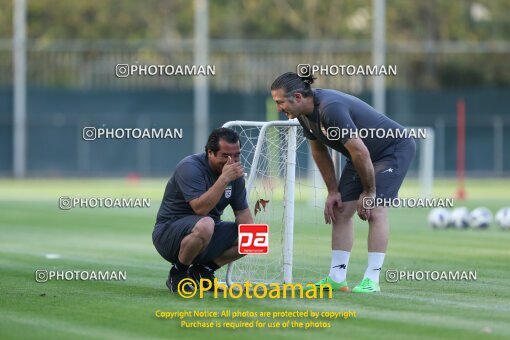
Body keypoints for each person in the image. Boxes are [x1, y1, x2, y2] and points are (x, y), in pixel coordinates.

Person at [270, 72, 416, 293]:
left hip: (391, 150)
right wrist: (332, 191)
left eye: (280, 102)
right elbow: (319, 151)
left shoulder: (331, 109)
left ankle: (371, 280)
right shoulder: (302, 115)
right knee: (339, 210)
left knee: (374, 210)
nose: (279, 108)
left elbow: (361, 151)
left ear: (298, 97)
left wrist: (369, 191)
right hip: (360, 155)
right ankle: (337, 278)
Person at [152, 127, 253, 293]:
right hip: (169, 233)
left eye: (236, 155)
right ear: (210, 152)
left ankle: (203, 271)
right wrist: (224, 179)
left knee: (255, 237)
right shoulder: (190, 167)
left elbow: (242, 213)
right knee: (206, 223)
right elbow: (200, 209)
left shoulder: (235, 177)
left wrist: (250, 238)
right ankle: (178, 274)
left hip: (207, 231)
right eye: (226, 155)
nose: (232, 161)